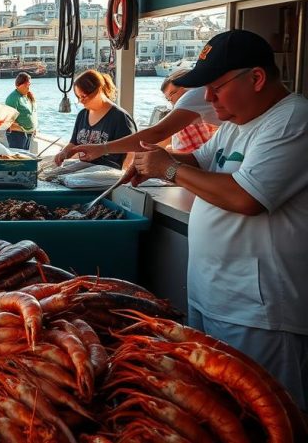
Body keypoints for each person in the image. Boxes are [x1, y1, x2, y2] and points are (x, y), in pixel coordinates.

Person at [128, 29, 308, 411]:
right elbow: (198, 161)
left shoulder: (293, 121)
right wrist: (154, 163)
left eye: (216, 87)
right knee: (220, 410)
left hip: (259, 311)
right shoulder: (236, 123)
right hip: (214, 296)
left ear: (256, 79)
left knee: (268, 415)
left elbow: (247, 198)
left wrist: (170, 169)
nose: (208, 99)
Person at [65, 73, 224, 164]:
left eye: (172, 95)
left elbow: (158, 132)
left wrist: (103, 148)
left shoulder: (193, 97)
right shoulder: (227, 128)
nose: (209, 96)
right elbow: (199, 158)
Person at [53, 70, 137, 169]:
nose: (81, 101)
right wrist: (64, 153)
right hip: (84, 168)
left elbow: (131, 151)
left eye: (84, 96)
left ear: (99, 90)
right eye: (79, 97)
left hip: (107, 173)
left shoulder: (120, 117)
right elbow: (74, 143)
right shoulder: (82, 115)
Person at [159, 69, 219, 152]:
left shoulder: (193, 99)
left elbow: (158, 132)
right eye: (168, 99)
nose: (171, 100)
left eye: (172, 93)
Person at [5, 72, 36, 150]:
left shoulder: (27, 96)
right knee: (18, 159)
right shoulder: (13, 98)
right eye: (26, 85)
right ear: (19, 85)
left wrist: (33, 128)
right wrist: (21, 128)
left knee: (25, 157)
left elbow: (31, 114)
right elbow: (9, 120)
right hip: (18, 135)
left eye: (29, 85)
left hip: (28, 134)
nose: (28, 88)